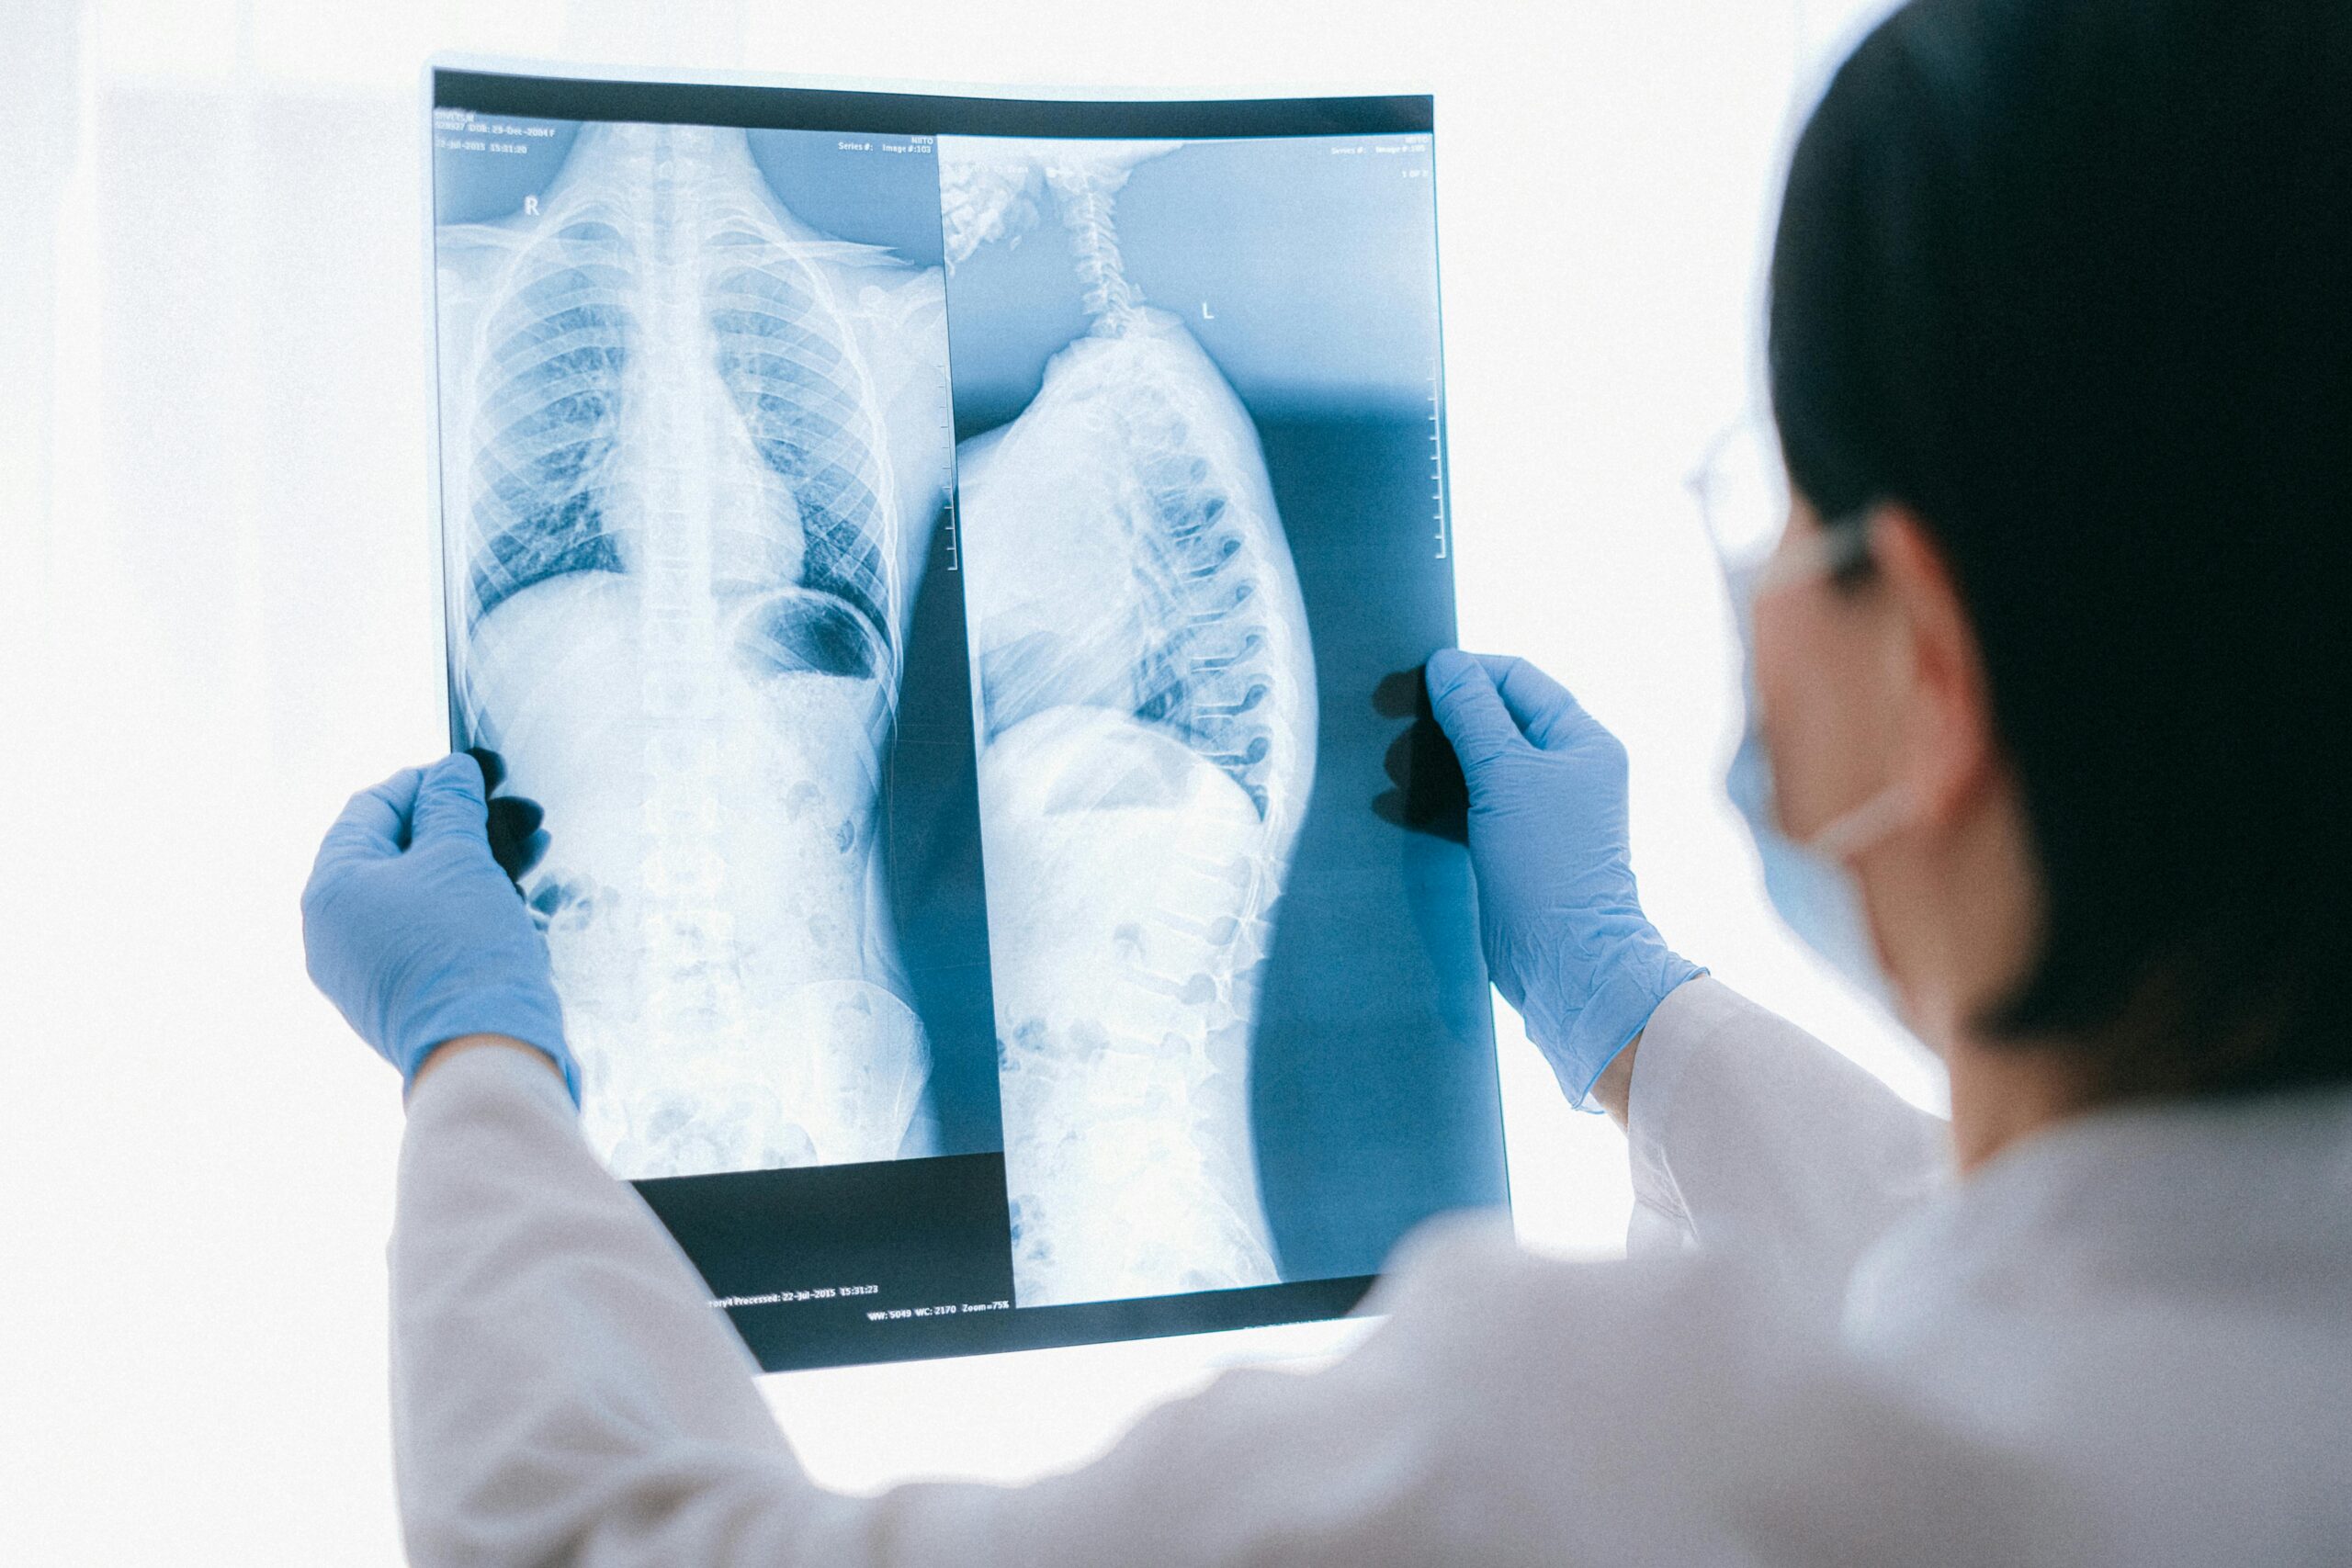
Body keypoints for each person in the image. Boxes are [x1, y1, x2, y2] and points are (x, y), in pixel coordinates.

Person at [300, 0, 2351, 1561]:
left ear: (1922, 670)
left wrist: (481, 1066)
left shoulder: (1568, 1465)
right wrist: (1639, 1018)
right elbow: (2035, 1301)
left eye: (1775, 500)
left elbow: (620, 1541)